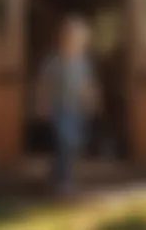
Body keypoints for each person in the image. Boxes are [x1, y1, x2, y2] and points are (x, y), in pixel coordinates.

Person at [36, 16, 99, 195]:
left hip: (77, 109)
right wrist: (42, 104)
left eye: (80, 40)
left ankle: (58, 175)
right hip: (59, 108)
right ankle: (64, 181)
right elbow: (43, 84)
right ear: (63, 39)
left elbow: (87, 84)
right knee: (65, 141)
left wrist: (91, 99)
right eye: (72, 38)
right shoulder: (54, 61)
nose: (76, 43)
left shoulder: (83, 63)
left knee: (73, 143)